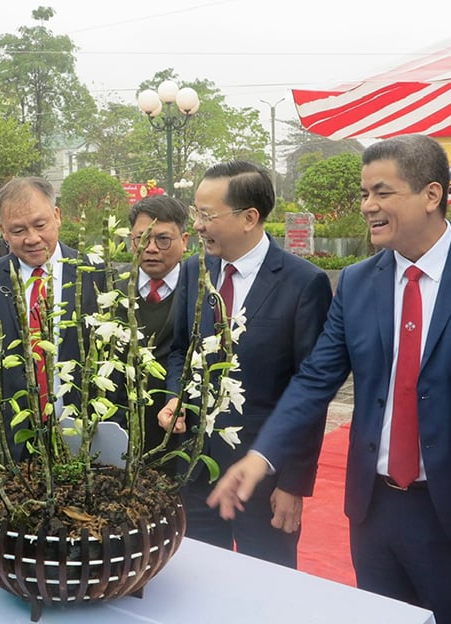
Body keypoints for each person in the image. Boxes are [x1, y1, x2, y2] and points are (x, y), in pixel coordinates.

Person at [208, 134, 451, 623]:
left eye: (381, 192)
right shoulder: (356, 282)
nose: (368, 205)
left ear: (431, 195)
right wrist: (262, 457)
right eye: (364, 193)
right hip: (373, 508)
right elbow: (313, 381)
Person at [156, 161, 332, 568]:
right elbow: (180, 350)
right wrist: (175, 397)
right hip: (195, 470)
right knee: (199, 585)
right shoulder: (194, 271)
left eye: (207, 215)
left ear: (249, 217)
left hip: (262, 474)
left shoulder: (303, 283)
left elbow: (310, 392)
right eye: (195, 213)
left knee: (268, 595)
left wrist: (293, 484)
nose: (197, 226)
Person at [0, 177, 103, 477]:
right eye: (18, 230)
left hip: (82, 438)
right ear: (3, 232)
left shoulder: (95, 276)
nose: (31, 238)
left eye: (40, 225)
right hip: (10, 444)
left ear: (57, 216)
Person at [119, 195, 189, 464]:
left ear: (184, 241)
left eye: (162, 239)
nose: (150, 248)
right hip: (121, 433)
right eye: (142, 239)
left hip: (179, 432)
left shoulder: (201, 290)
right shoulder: (109, 286)